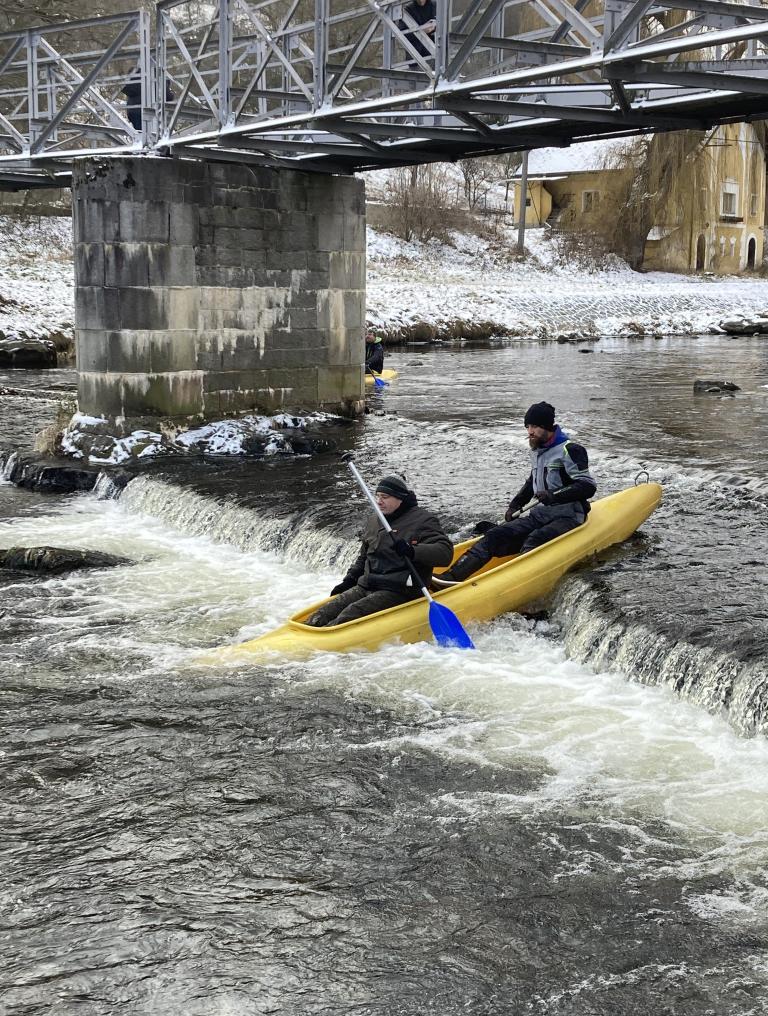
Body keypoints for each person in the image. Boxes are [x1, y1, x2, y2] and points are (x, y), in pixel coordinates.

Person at [433, 402, 596, 587]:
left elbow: (587, 486)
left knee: (533, 540)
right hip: (541, 515)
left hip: (569, 516)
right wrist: (516, 504)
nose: (530, 431)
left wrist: (553, 495)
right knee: (494, 535)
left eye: (534, 426)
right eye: (527, 427)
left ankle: (516, 586)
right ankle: (449, 579)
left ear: (547, 426)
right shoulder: (538, 450)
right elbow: (531, 481)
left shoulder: (571, 450)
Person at [306, 474, 453, 626]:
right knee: (323, 613)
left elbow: (445, 553)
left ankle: (324, 645)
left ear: (400, 498)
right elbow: (364, 557)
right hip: (368, 584)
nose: (379, 501)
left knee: (349, 614)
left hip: (400, 590)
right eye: (377, 496)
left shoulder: (423, 520)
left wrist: (412, 550)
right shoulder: (374, 520)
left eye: (385, 497)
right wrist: (349, 580)